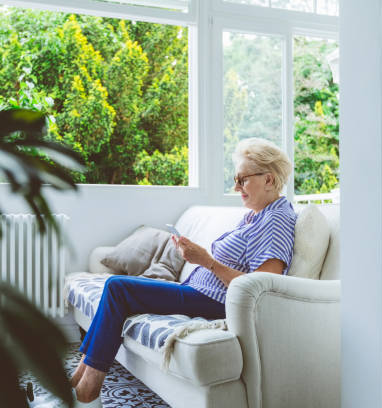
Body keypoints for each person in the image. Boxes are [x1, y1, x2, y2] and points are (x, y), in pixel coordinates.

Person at [69, 138, 297, 406]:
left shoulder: (276, 220)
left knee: (118, 288)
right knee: (115, 290)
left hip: (214, 302)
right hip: (198, 292)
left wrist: (206, 261)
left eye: (242, 180)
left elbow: (261, 289)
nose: (236, 187)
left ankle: (88, 390)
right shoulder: (256, 215)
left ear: (269, 180)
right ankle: (79, 377)